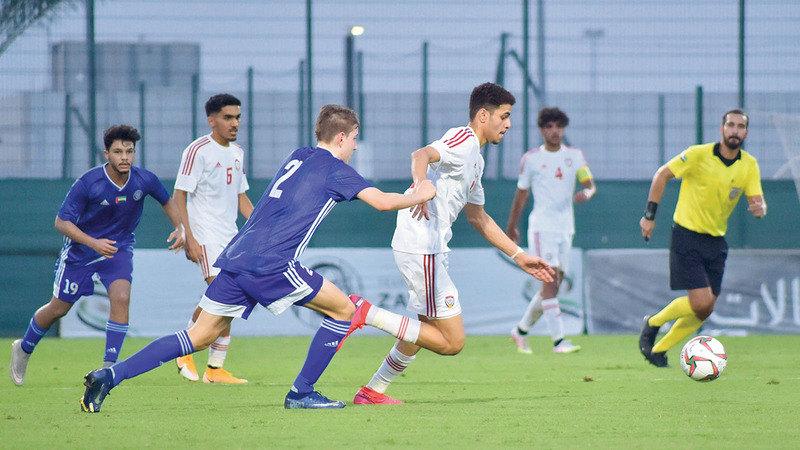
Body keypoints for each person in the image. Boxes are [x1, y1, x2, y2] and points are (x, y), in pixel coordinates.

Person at [81, 104, 530, 412]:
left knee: (197, 336)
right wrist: (423, 191)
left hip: (238, 256)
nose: (356, 147)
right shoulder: (337, 168)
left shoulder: (298, 156)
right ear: (341, 137)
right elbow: (381, 202)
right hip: (273, 262)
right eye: (355, 139)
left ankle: (110, 376)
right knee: (344, 310)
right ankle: (302, 392)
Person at [352, 82, 555, 405]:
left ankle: (373, 391)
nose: (508, 124)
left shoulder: (477, 160)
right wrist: (421, 187)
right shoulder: (463, 139)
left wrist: (519, 255)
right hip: (423, 245)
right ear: (484, 115)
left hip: (425, 246)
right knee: (452, 342)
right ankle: (367, 313)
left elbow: (479, 218)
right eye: (504, 116)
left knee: (424, 329)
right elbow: (421, 154)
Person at [9, 125, 184, 386]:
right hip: (81, 252)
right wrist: (94, 243)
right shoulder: (89, 183)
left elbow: (166, 200)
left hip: (118, 248)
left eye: (129, 151)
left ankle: (107, 372)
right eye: (118, 152)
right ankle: (24, 348)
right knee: (59, 308)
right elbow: (61, 222)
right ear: (106, 154)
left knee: (121, 298)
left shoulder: (144, 180)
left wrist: (180, 227)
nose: (124, 157)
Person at [638, 108, 766, 367]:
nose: (735, 130)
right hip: (687, 235)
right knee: (701, 302)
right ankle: (654, 322)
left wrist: (760, 209)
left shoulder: (749, 164)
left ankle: (658, 350)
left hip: (716, 240)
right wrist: (649, 216)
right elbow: (662, 174)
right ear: (721, 129)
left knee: (706, 309)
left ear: (746, 133)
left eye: (740, 126)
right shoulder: (698, 154)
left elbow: (758, 201)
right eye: (731, 125)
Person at [173, 94, 254, 384]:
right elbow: (179, 195)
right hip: (205, 235)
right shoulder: (198, 150)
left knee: (231, 298)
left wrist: (262, 229)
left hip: (231, 238)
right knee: (222, 294)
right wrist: (188, 236)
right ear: (212, 120)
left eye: (237, 117)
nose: (235, 123)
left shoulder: (238, 152)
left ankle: (215, 369)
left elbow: (241, 197)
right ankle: (184, 349)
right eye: (227, 117)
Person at [507, 107, 596, 354]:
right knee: (549, 283)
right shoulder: (531, 159)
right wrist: (512, 225)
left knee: (553, 287)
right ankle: (559, 341)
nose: (554, 131)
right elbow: (521, 194)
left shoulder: (575, 156)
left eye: (558, 126)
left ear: (564, 128)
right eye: (549, 126)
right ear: (541, 130)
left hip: (566, 228)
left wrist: (587, 193)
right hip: (542, 228)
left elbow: (589, 184)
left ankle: (520, 331)